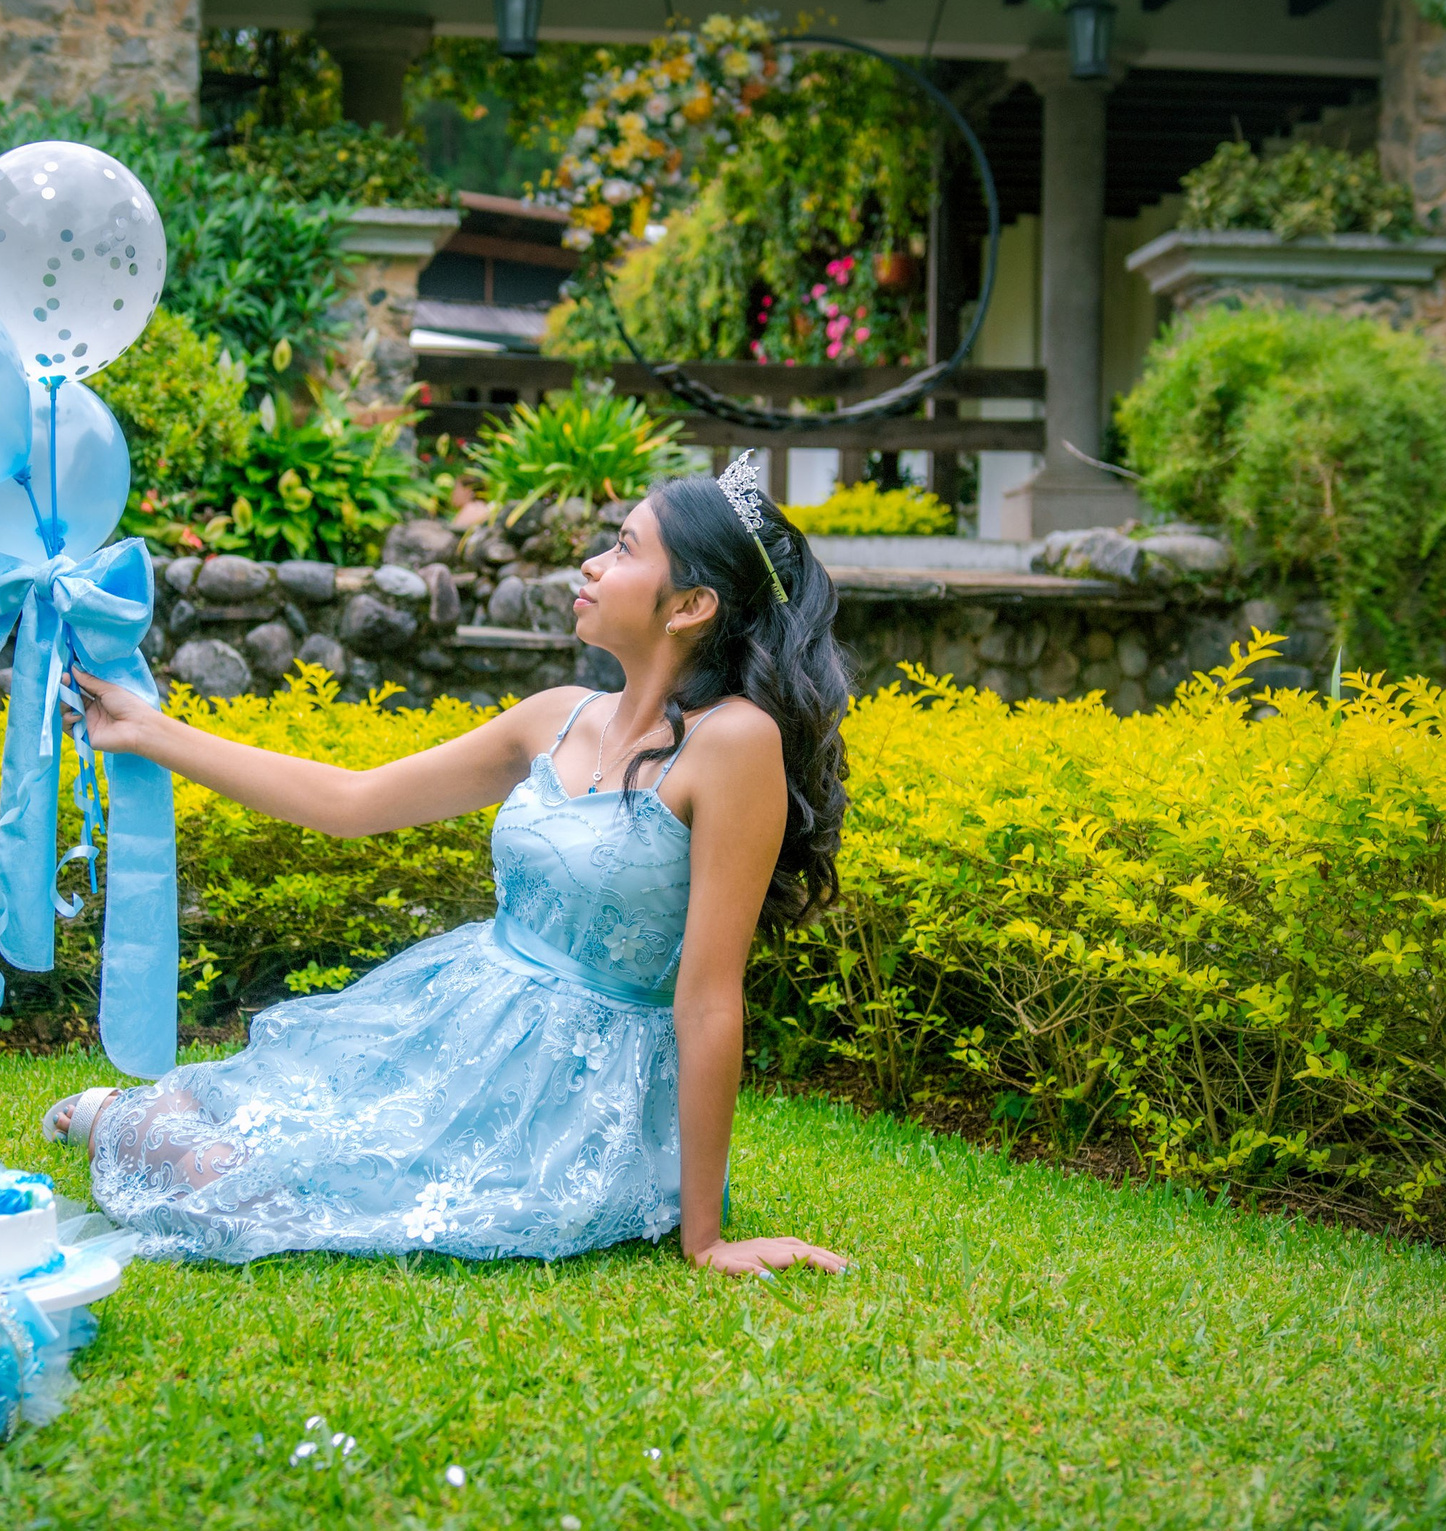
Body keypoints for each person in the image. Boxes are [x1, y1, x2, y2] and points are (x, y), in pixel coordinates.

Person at [42, 459, 852, 1278]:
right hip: (457, 1019)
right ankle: (134, 1116)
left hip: (579, 1094)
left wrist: (705, 1237)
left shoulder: (735, 742)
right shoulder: (558, 714)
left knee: (248, 1187)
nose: (593, 566)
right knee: (246, 1125)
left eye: (623, 548)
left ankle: (125, 1121)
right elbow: (351, 803)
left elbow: (710, 999)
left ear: (689, 605)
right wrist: (149, 730)